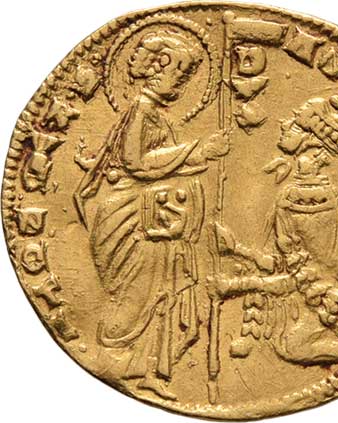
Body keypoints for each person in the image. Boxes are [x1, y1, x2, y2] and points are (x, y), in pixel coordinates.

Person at [73, 30, 229, 400]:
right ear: (158, 70)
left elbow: (166, 165)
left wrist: (200, 157)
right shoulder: (141, 112)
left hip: (161, 224)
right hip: (134, 223)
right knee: (141, 296)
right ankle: (114, 362)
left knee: (163, 299)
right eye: (179, 74)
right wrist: (197, 149)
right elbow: (137, 162)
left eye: (187, 77)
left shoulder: (155, 116)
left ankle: (149, 371)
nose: (182, 83)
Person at [209, 95, 338, 365]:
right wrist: (236, 250)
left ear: (313, 143)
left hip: (323, 305)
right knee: (287, 345)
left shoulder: (312, 202)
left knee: (291, 347)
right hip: (304, 299)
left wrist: (235, 286)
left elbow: (301, 278)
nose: (284, 122)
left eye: (295, 123)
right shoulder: (295, 193)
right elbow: (280, 263)